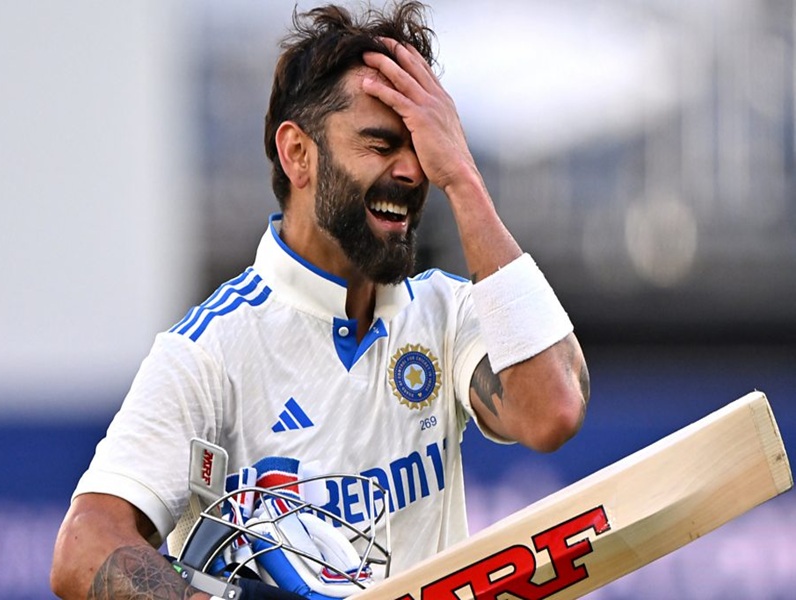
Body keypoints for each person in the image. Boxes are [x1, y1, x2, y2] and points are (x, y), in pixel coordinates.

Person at [51, 2, 590, 599]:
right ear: (297, 154)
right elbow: (84, 547)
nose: (414, 172)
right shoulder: (208, 352)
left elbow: (553, 412)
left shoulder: (446, 311)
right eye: (381, 145)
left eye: (424, 148)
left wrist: (463, 177)